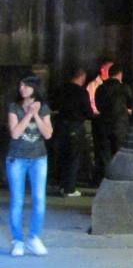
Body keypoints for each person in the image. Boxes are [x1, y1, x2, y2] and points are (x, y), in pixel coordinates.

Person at [6, 75, 53, 257]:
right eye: (21, 84)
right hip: (17, 158)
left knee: (39, 199)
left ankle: (34, 238)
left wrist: (37, 115)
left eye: (26, 85)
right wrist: (28, 114)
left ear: (35, 88)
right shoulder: (14, 107)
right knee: (17, 200)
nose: (22, 88)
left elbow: (48, 134)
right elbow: (15, 133)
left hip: (38, 159)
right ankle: (18, 240)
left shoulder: (44, 108)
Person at [53, 68, 94, 197]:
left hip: (60, 126)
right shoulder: (81, 92)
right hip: (75, 126)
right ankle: (69, 188)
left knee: (62, 156)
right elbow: (88, 112)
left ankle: (61, 185)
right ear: (81, 77)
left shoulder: (60, 89)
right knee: (73, 157)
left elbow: (54, 105)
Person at [94, 65, 133, 180]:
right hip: (119, 124)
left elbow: (98, 106)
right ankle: (120, 177)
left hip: (103, 124)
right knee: (119, 152)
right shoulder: (123, 88)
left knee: (105, 154)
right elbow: (131, 103)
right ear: (120, 74)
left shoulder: (100, 88)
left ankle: (106, 178)